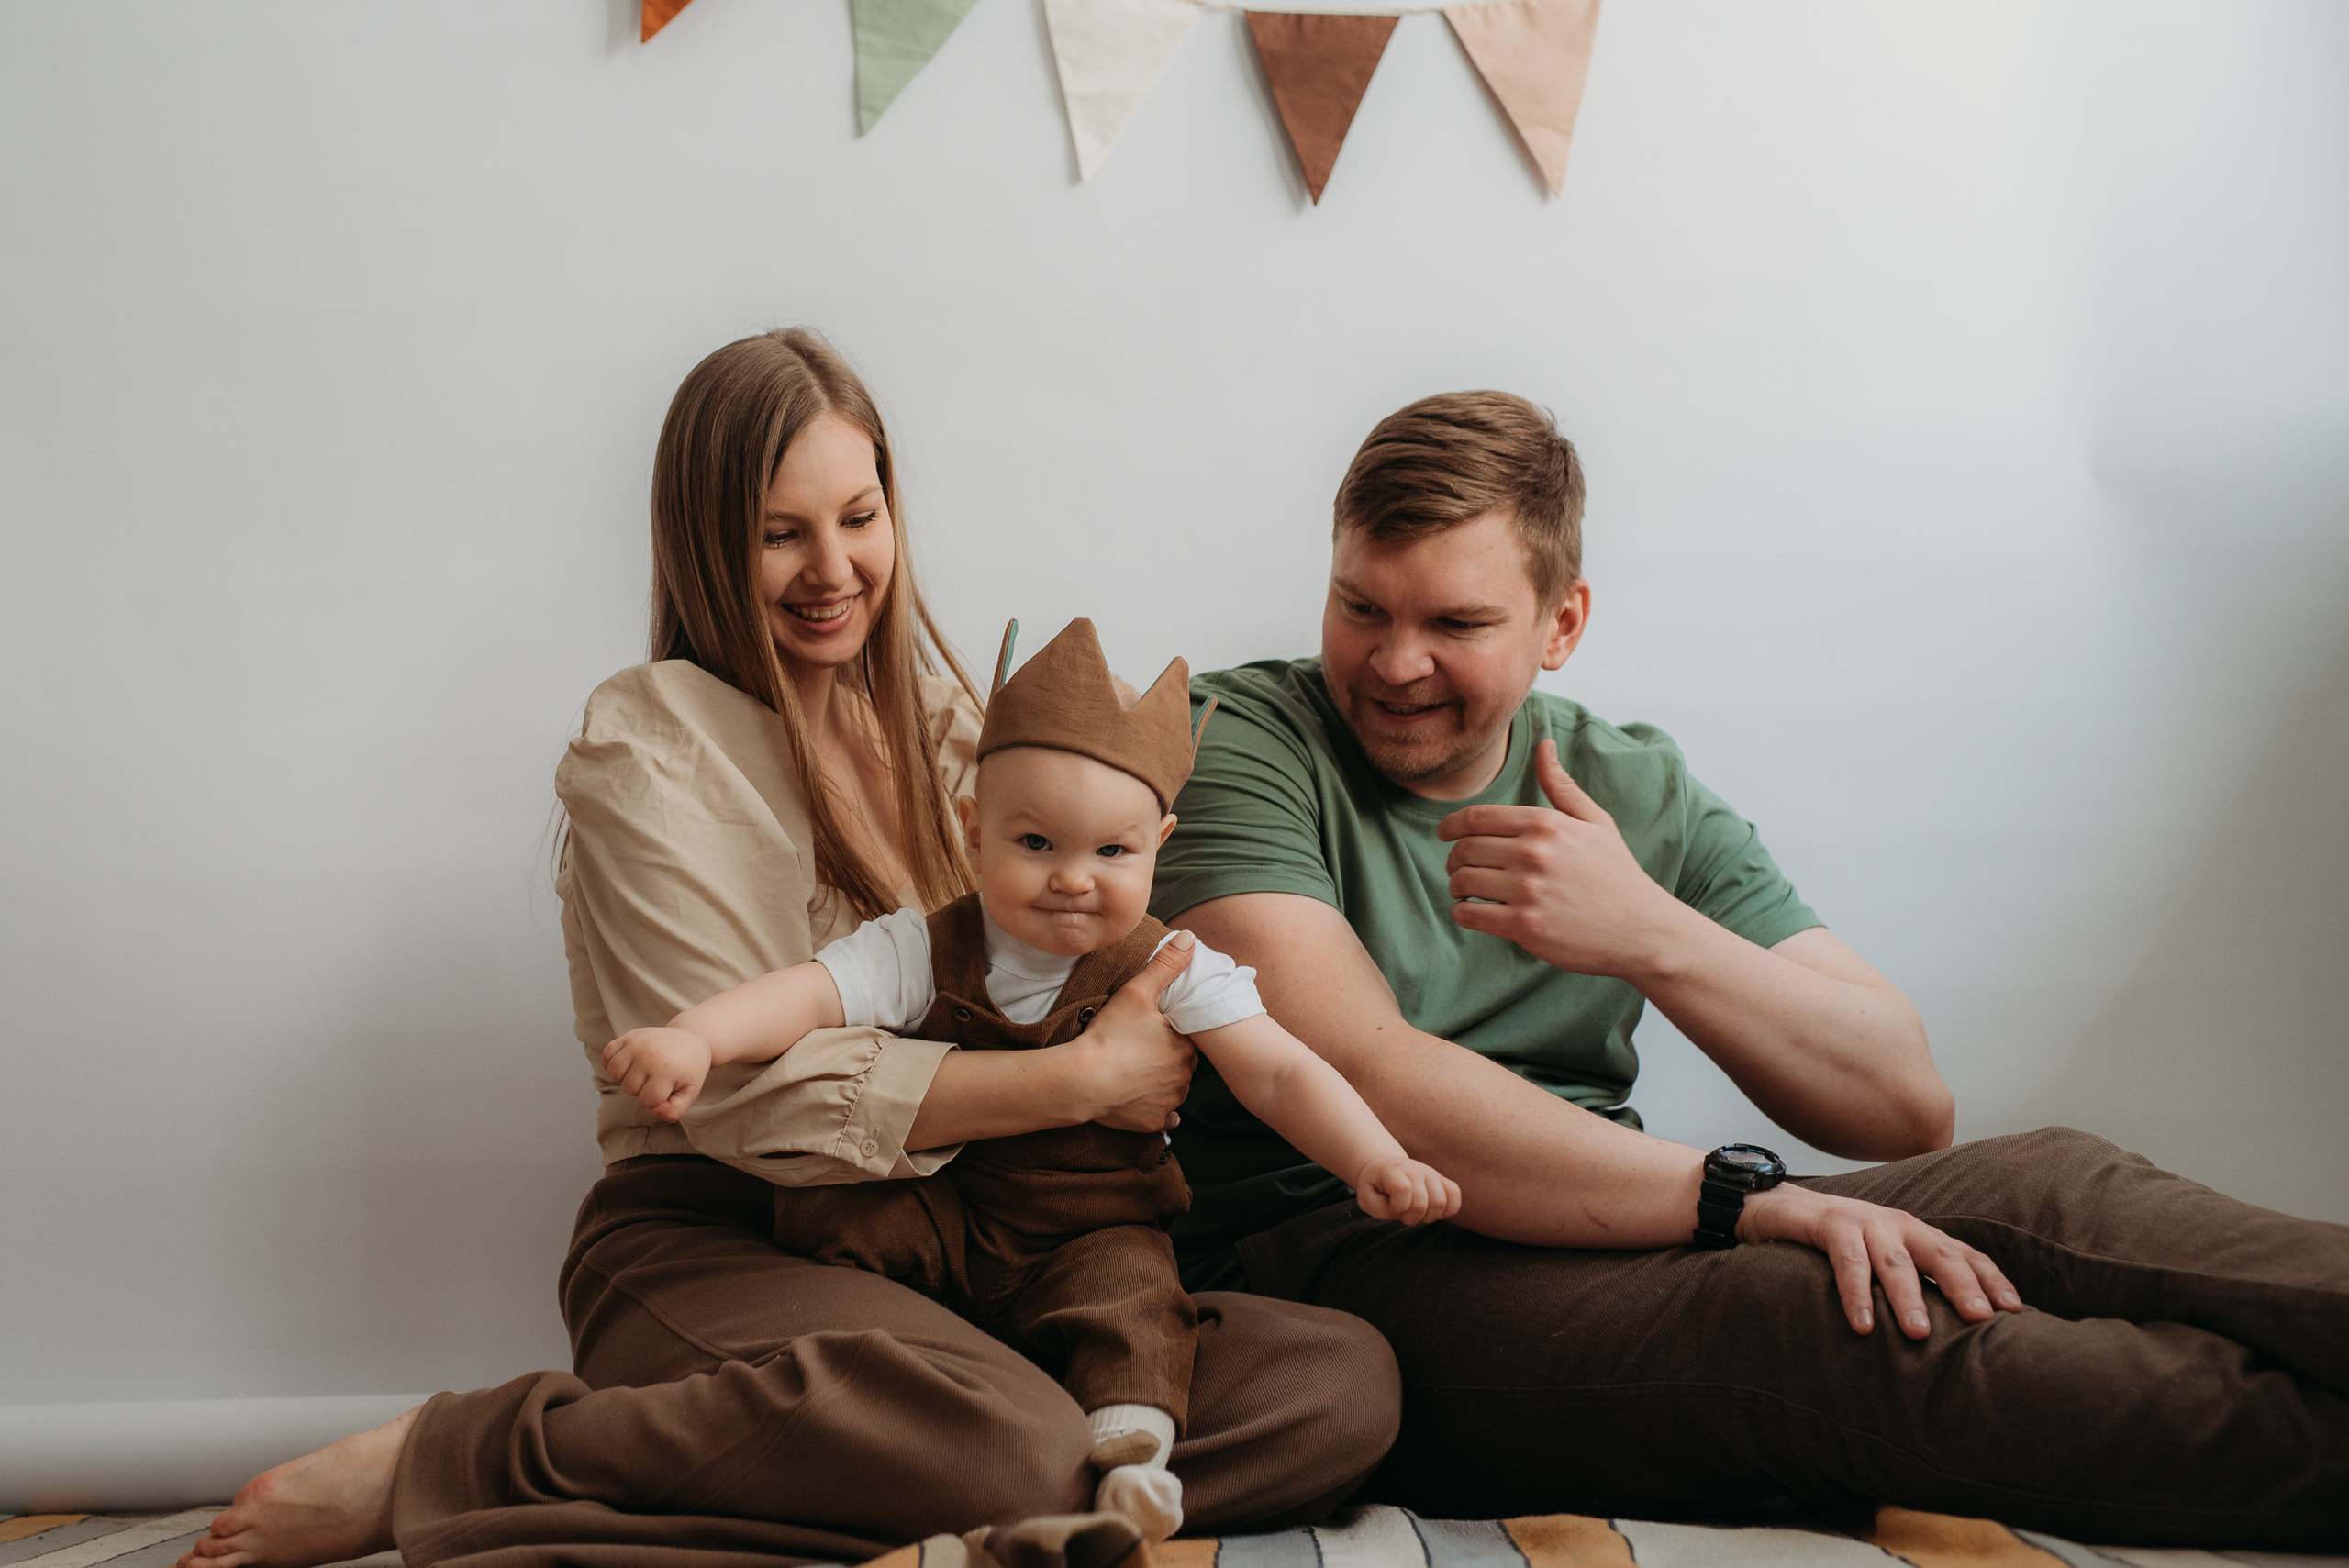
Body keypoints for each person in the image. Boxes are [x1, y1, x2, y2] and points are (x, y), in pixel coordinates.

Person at [176, 330, 1400, 1568]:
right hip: (725, 1227)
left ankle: (967, 1493)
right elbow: (749, 1098)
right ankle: (471, 1457)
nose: (832, 568)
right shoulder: (652, 744)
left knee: (1338, 1382)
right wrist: (1077, 1081)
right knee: (1009, 1439)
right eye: (779, 534)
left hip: (973, 1239)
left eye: (858, 517)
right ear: (707, 542)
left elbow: (1089, 940)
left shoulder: (949, 726)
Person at [1152, 390, 2349, 1549]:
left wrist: (1648, 930)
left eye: (1455, 624)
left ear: (1561, 623)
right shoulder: (1237, 740)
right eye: (1361, 606)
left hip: (1605, 1224)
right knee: (1824, 1311)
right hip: (1341, 1256)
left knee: (2049, 1186)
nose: (1394, 661)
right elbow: (1372, 1077)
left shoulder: (1627, 784)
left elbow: (1899, 1101)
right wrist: (1740, 1200)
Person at [601, 615, 1459, 1541]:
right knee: (848, 1213)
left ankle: (1126, 1456)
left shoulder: (1174, 965)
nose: (1074, 879)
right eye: (1038, 843)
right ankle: (909, 1399)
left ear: (1160, 842)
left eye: (1112, 852)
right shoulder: (926, 944)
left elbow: (1281, 1070)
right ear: (976, 831)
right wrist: (696, 1038)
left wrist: (1372, 1156)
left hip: (1082, 1230)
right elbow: (808, 993)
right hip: (943, 1207)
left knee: (1141, 1304)